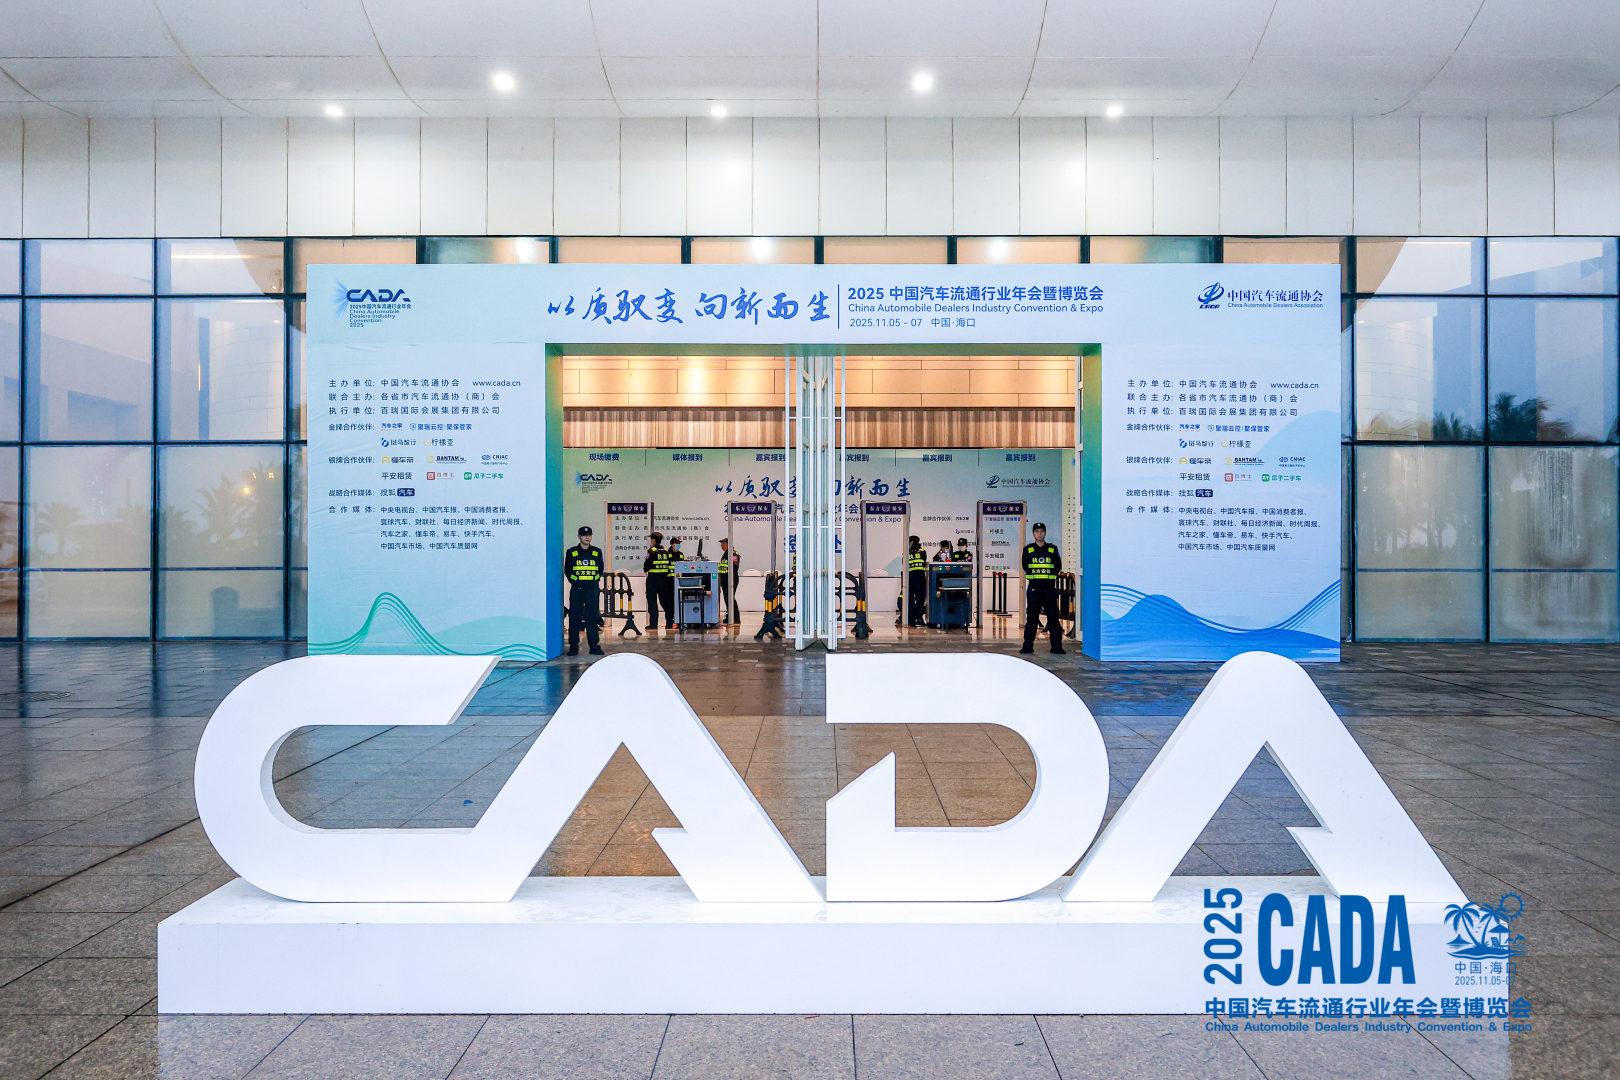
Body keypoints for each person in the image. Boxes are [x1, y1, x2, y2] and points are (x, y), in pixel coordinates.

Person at [1020, 522, 1065, 655]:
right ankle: (1027, 646)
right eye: (1037, 531)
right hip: (1034, 588)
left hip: (1049, 588)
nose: (1039, 534)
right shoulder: (1028, 549)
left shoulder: (1052, 549)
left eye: (1042, 531)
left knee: (1053, 618)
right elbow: (1025, 565)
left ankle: (1056, 647)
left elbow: (1058, 566)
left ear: (1045, 533)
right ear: (1033, 533)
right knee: (1032, 618)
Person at [563, 526, 605, 656]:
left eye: (589, 535)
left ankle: (594, 646)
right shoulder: (572, 552)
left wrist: (592, 582)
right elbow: (568, 570)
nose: (587, 537)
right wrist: (576, 582)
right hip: (577, 590)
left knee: (592, 617)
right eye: (584, 535)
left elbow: (600, 570)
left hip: (592, 590)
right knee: (574, 617)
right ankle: (573, 647)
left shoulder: (597, 552)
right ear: (579, 536)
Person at [643, 531, 674, 629]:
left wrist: (646, 570)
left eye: (651, 539)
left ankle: (653, 624)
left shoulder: (651, 551)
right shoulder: (666, 551)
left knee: (652, 601)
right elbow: (670, 565)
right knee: (666, 602)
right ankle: (669, 623)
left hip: (653, 580)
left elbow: (646, 565)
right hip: (664, 580)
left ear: (654, 540)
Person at [906, 535, 928, 627]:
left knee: (911, 599)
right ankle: (919, 618)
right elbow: (924, 563)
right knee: (920, 599)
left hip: (910, 577)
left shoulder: (907, 552)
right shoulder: (923, 551)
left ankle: (911, 620)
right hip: (920, 577)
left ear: (911, 542)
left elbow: (904, 564)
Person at [718, 537, 741, 623]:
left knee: (730, 598)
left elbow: (734, 567)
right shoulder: (725, 554)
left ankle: (735, 618)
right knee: (727, 599)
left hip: (731, 579)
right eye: (721, 544)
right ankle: (730, 616)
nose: (722, 546)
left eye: (724, 544)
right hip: (725, 580)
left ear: (729, 544)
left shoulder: (734, 555)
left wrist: (728, 579)